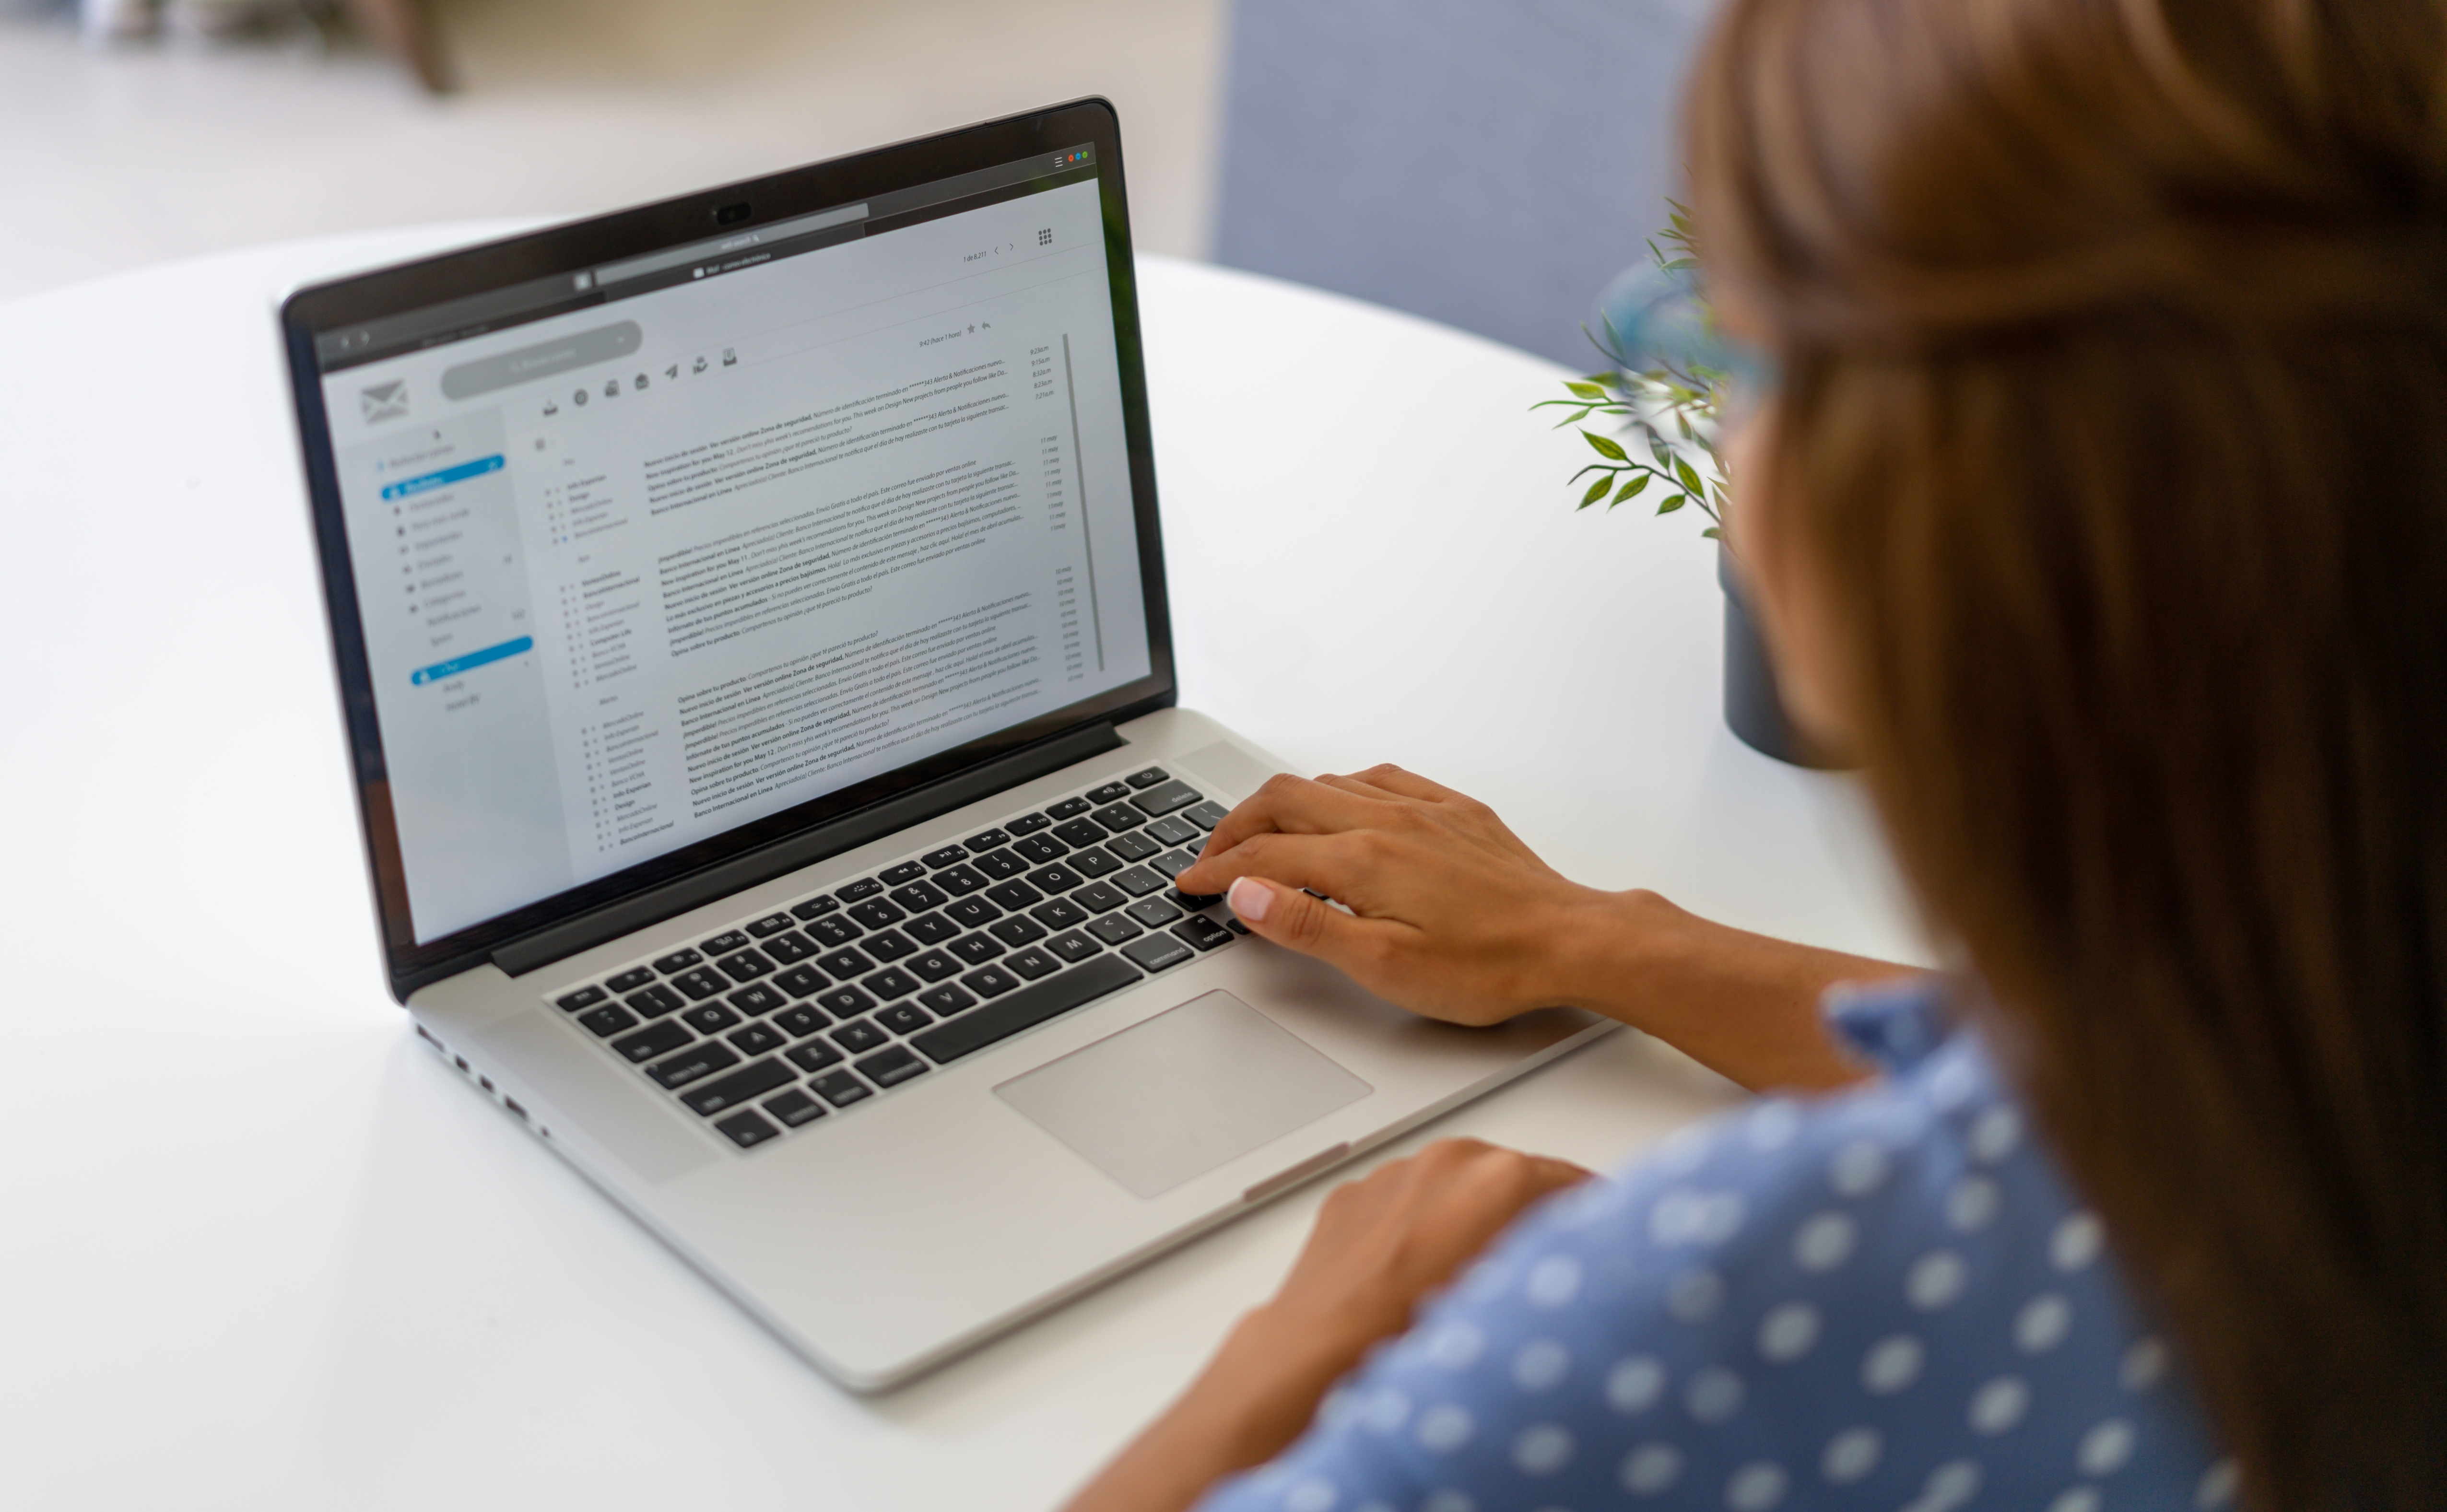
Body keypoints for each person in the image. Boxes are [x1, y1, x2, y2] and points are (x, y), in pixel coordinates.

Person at [1059, 0, 2447, 1508]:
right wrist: (1602, 938)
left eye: (1736, 339)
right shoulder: (2328, 1058)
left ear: (1904, 519)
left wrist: (1294, 1342)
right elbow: (2148, 1091)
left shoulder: (1714, 1317)